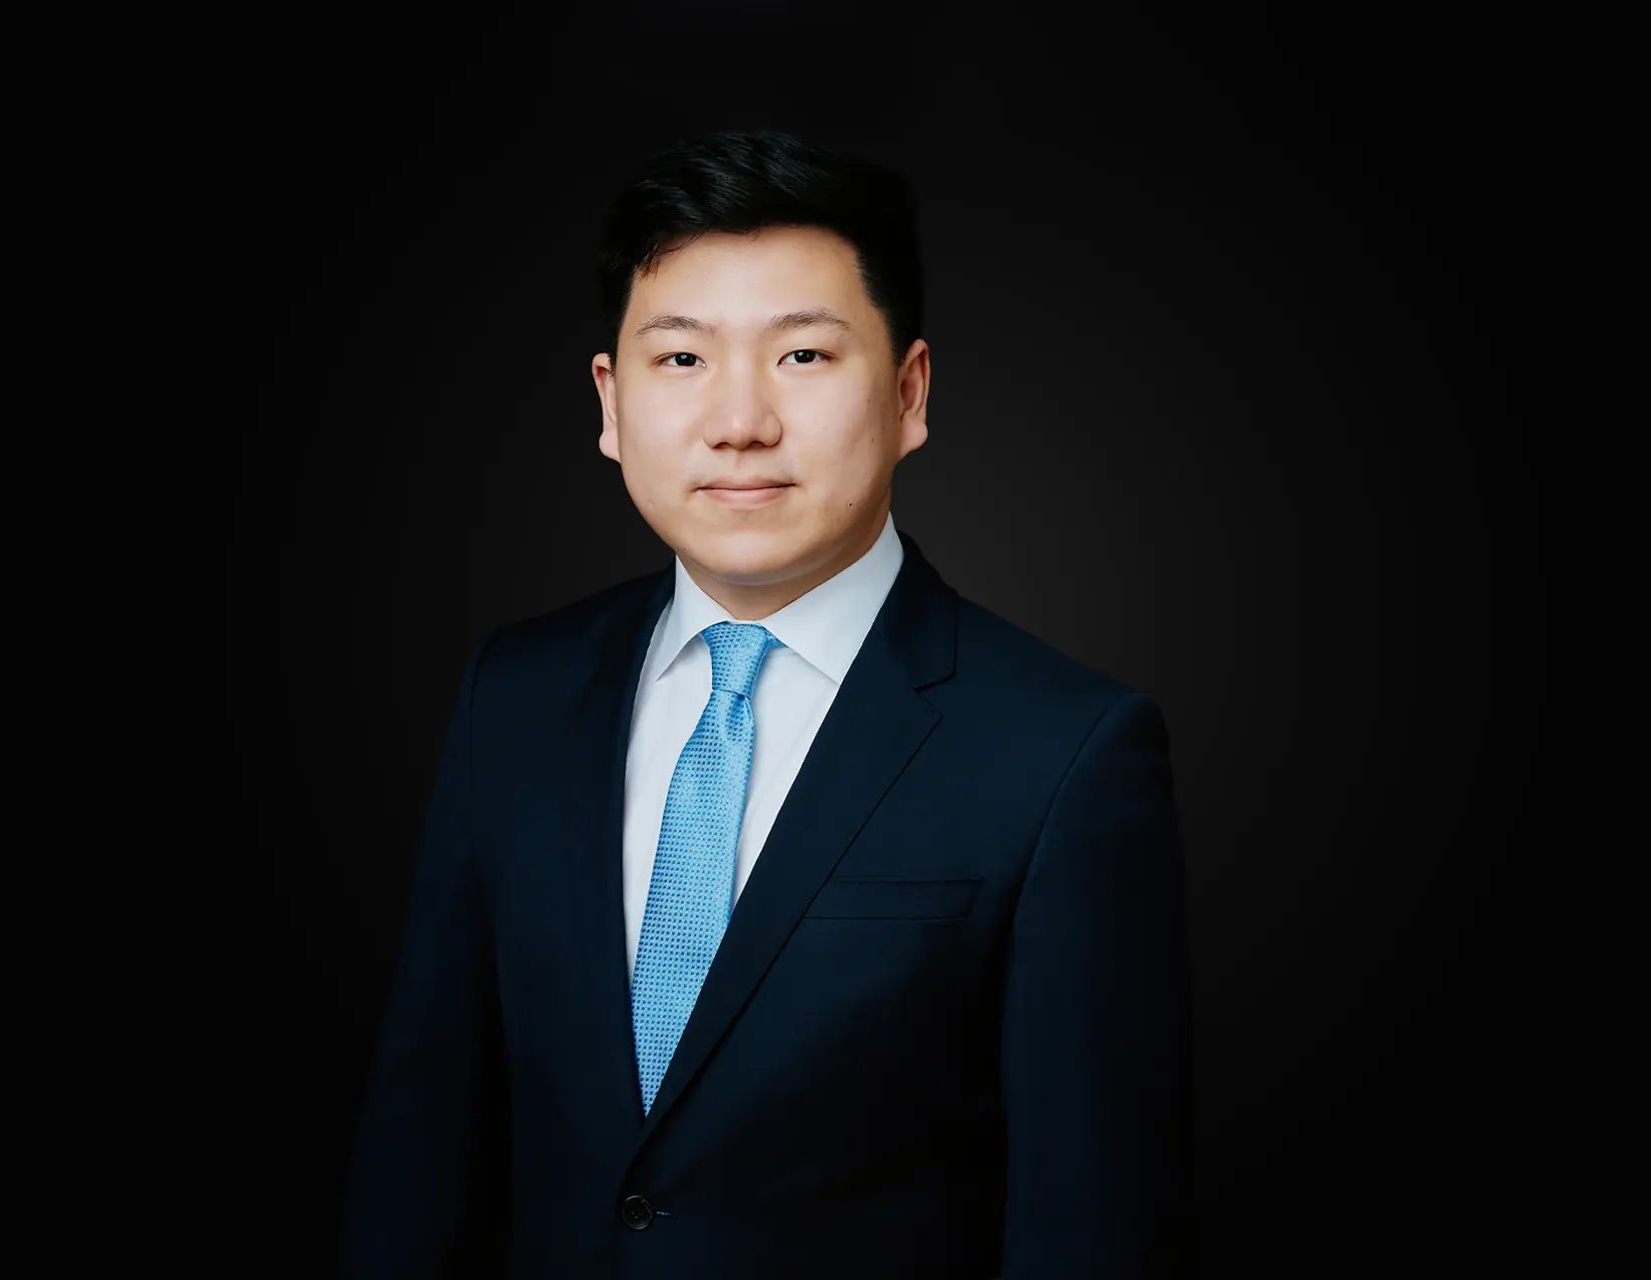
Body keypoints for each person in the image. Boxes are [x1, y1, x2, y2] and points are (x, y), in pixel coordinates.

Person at [338, 129, 1193, 1279]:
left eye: (802, 354)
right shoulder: (519, 693)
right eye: (681, 357)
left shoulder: (1063, 752)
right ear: (610, 402)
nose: (739, 420)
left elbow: (1090, 1229)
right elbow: (420, 1153)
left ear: (909, 393)